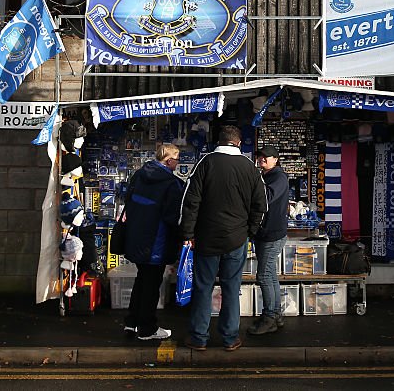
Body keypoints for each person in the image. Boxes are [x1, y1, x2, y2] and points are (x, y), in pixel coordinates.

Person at [179, 125, 267, 352]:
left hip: (206, 238)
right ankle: (229, 338)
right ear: (238, 143)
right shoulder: (250, 167)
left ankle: (199, 337)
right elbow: (261, 205)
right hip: (236, 239)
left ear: (219, 141)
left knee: (203, 288)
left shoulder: (205, 163)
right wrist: (251, 231)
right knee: (231, 289)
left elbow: (190, 203)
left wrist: (188, 234)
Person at [120, 143, 185, 341]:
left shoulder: (139, 175)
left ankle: (131, 323)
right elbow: (173, 217)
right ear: (170, 160)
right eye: (177, 159)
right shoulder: (171, 184)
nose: (178, 163)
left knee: (142, 280)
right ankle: (147, 328)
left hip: (137, 238)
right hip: (156, 242)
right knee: (151, 285)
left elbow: (129, 200)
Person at [247, 146, 290, 335]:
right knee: (270, 274)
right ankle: (276, 314)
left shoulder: (279, 177)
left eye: (266, 157)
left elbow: (267, 197)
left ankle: (269, 317)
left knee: (264, 276)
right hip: (265, 233)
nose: (261, 159)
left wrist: (254, 183)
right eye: (260, 157)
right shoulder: (265, 176)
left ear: (276, 159)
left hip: (272, 235)